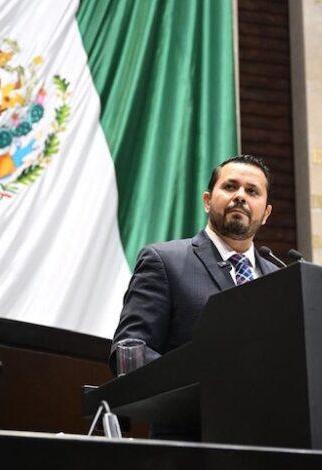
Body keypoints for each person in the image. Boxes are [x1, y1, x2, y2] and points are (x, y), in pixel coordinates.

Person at [110, 154, 279, 439]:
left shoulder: (280, 277)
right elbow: (131, 349)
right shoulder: (165, 261)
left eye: (252, 191)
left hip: (269, 442)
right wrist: (206, 382)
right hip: (189, 441)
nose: (240, 196)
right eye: (230, 187)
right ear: (207, 200)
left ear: (266, 213)